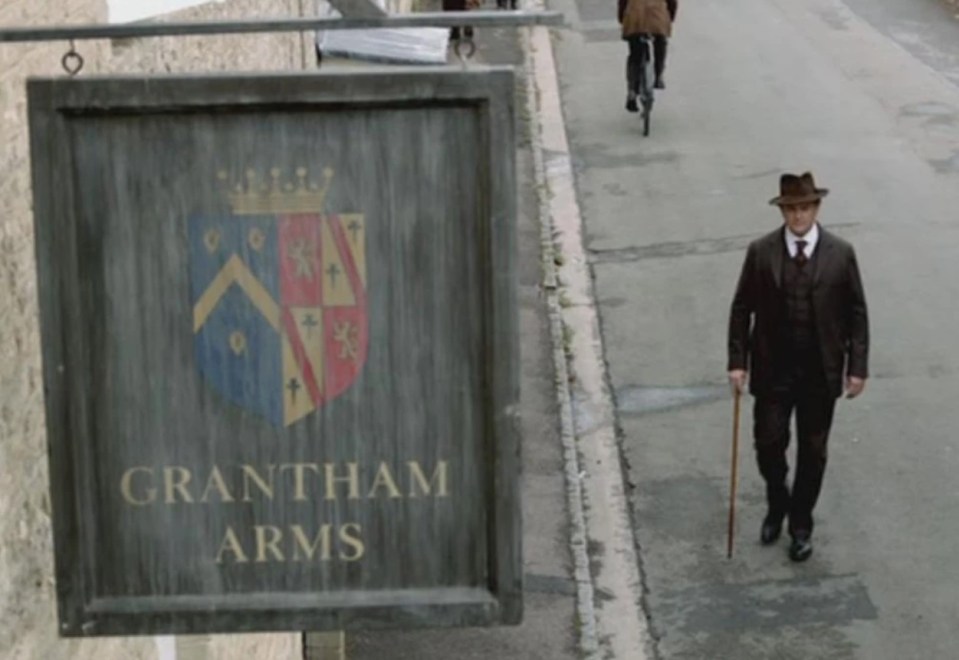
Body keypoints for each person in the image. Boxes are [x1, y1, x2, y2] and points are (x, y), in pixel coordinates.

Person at [727, 172, 869, 562]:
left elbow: (857, 313)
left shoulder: (841, 253)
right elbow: (742, 307)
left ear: (816, 208)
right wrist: (738, 362)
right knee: (768, 443)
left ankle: (801, 524)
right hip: (774, 368)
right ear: (783, 212)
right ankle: (778, 500)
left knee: (813, 450)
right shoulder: (761, 252)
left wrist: (857, 367)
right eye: (791, 209)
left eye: (805, 208)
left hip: (820, 371)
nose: (798, 216)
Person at [618, 0, 678, 112]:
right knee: (660, 44)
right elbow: (672, 3)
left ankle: (632, 90)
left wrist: (623, 18)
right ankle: (658, 75)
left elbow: (622, 2)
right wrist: (670, 17)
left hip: (635, 19)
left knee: (635, 55)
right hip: (657, 17)